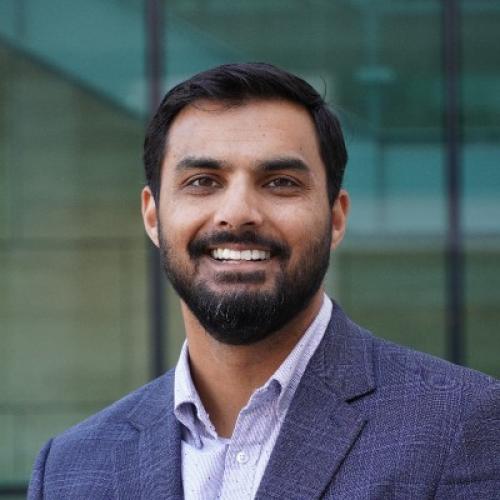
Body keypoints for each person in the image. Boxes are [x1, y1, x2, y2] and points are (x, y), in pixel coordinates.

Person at [29, 63, 499, 499]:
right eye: (202, 181)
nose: (237, 213)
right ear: (153, 216)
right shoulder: (70, 469)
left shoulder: (462, 425)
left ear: (336, 218)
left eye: (280, 182)